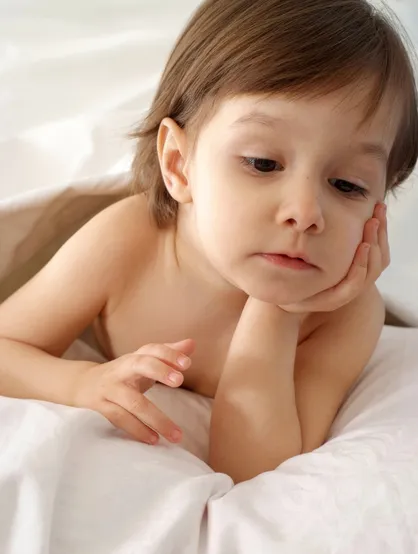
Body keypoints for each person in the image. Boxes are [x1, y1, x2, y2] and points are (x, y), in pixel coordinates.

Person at [0, 0, 417, 484]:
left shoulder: (346, 314)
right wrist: (78, 382)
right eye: (263, 163)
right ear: (178, 164)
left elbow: (251, 468)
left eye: (348, 185)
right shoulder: (129, 242)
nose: (305, 214)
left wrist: (277, 309)